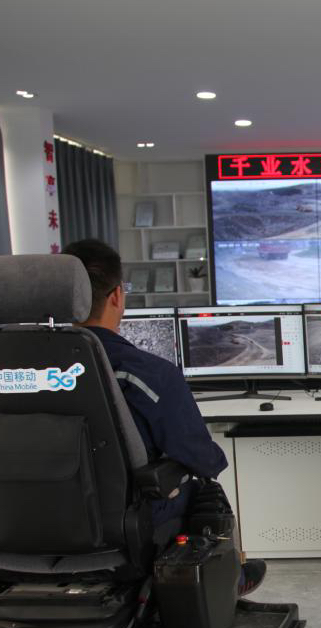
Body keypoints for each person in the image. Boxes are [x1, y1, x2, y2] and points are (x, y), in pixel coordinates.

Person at [63, 239, 265, 593]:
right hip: (123, 524)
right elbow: (201, 457)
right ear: (117, 295)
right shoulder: (146, 373)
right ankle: (228, 582)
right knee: (205, 487)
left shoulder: (2, 372)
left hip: (20, 523)